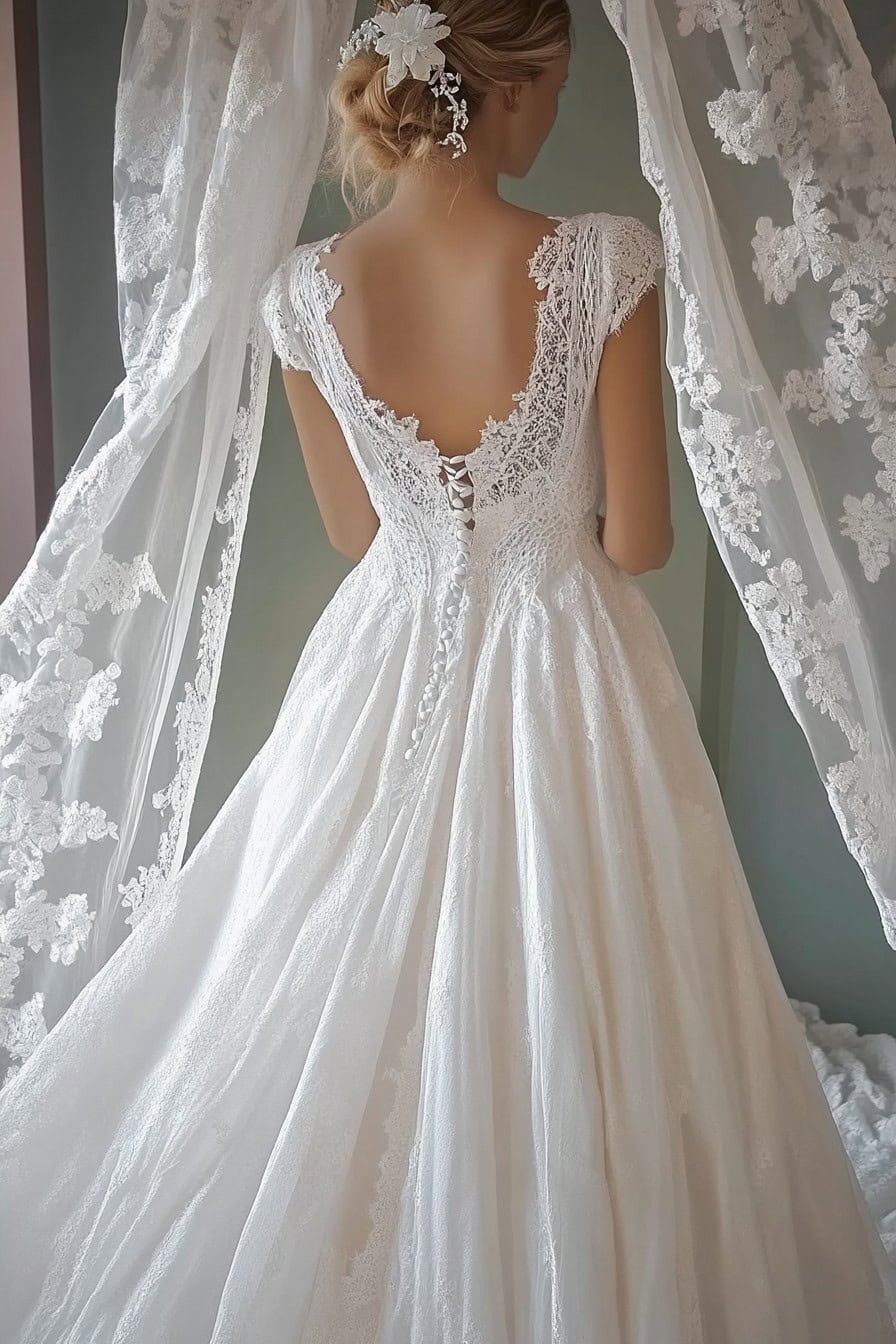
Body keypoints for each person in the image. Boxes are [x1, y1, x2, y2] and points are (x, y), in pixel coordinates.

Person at [1, 1, 895, 1340]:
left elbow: (361, 531)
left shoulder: (299, 293)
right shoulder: (603, 260)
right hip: (569, 661)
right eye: (557, 87)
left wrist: (451, 528)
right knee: (595, 956)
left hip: (382, 654)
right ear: (517, 91)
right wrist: (535, 522)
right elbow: (641, 539)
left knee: (328, 934)